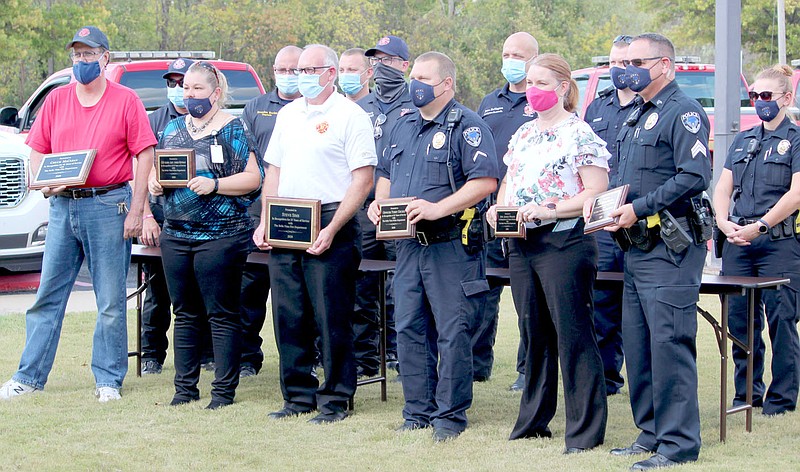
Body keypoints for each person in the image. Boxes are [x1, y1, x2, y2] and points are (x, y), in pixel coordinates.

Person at [0, 26, 156, 402]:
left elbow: (145, 154)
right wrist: (42, 181)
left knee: (110, 301)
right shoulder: (56, 100)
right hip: (62, 205)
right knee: (48, 295)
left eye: (88, 55)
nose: (81, 62)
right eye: (76, 55)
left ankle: (108, 380)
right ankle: (29, 376)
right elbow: (38, 148)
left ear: (105, 58)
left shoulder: (125, 100)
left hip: (108, 204)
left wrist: (138, 210)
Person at [368, 51, 498, 442]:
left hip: (450, 246)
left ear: (447, 84)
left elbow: (485, 181)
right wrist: (378, 201)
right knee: (408, 327)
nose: (415, 84)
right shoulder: (403, 124)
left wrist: (437, 207)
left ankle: (450, 416)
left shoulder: (468, 126)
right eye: (415, 77)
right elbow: (385, 172)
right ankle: (417, 411)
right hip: (408, 246)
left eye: (425, 78)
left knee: (452, 330)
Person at [487, 53, 609, 452]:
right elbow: (509, 180)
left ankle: (584, 432)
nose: (532, 90)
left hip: (565, 241)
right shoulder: (523, 134)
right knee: (533, 333)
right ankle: (534, 421)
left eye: (541, 83)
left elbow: (595, 192)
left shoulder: (580, 134)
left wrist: (550, 209)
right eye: (530, 82)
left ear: (561, 87)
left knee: (572, 335)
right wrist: (499, 209)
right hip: (522, 244)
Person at [253, 44, 376, 424]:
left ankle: (336, 398)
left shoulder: (350, 115)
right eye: (296, 70)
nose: (299, 76)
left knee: (330, 315)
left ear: (330, 74)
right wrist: (264, 220)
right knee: (289, 313)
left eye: (308, 69)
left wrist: (334, 226)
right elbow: (273, 169)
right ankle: (297, 396)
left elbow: (363, 177)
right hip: (287, 218)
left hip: (330, 218)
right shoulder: (288, 115)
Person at [605, 33, 711, 470]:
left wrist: (638, 208)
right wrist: (612, 210)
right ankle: (650, 432)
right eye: (624, 61)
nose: (626, 68)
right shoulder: (636, 115)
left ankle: (679, 444)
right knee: (640, 344)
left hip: (671, 246)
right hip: (636, 247)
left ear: (664, 65)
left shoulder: (683, 113)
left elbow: (694, 176)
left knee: (669, 343)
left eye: (636, 61)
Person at [149, 61, 263, 409]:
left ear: (215, 93)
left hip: (221, 235)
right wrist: (154, 182)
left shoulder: (234, 128)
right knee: (184, 312)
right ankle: (184, 389)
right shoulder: (172, 129)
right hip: (177, 234)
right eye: (186, 89)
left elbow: (253, 178)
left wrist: (215, 184)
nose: (190, 95)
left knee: (221, 313)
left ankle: (223, 392)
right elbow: (158, 171)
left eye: (197, 89)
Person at [712, 64, 800, 416]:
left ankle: (781, 399)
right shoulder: (744, 138)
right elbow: (723, 186)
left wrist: (761, 226)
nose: (760, 102)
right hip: (739, 241)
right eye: (755, 96)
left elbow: (796, 195)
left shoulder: (795, 140)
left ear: (786, 98)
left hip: (777, 242)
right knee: (739, 322)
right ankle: (747, 391)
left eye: (766, 96)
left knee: (782, 321)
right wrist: (722, 222)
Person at [139, 58, 215, 375]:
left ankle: (206, 354)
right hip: (161, 223)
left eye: (183, 82)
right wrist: (145, 216)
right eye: (172, 82)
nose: (178, 89)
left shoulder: (215, 123)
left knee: (203, 292)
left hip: (204, 225)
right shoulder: (155, 121)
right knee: (158, 295)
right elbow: (140, 171)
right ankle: (152, 354)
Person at [475, 31, 538, 389]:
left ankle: (527, 369)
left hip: (527, 213)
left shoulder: (541, 101)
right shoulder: (490, 102)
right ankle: (477, 363)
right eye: (505, 52)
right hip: (489, 211)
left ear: (533, 59)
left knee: (527, 295)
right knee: (482, 291)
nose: (509, 60)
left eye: (517, 54)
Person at [238, 45, 303, 379]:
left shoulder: (314, 109)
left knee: (298, 291)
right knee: (249, 290)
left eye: (295, 69)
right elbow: (247, 159)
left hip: (304, 214)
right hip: (258, 211)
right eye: (282, 69)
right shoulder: (256, 108)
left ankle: (309, 355)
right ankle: (248, 356)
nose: (288, 75)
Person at [355, 35, 416, 375]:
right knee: (362, 284)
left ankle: (398, 353)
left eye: (389, 60)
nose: (380, 66)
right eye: (376, 60)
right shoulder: (360, 107)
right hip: (364, 207)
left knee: (400, 284)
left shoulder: (416, 103)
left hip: (401, 206)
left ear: (404, 65)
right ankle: (366, 358)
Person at [583, 34, 637, 396]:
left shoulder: (652, 107)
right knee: (601, 302)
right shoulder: (597, 108)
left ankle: (644, 379)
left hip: (638, 219)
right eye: (613, 63)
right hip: (602, 220)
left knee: (636, 308)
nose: (619, 70)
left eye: (626, 63)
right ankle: (606, 378)